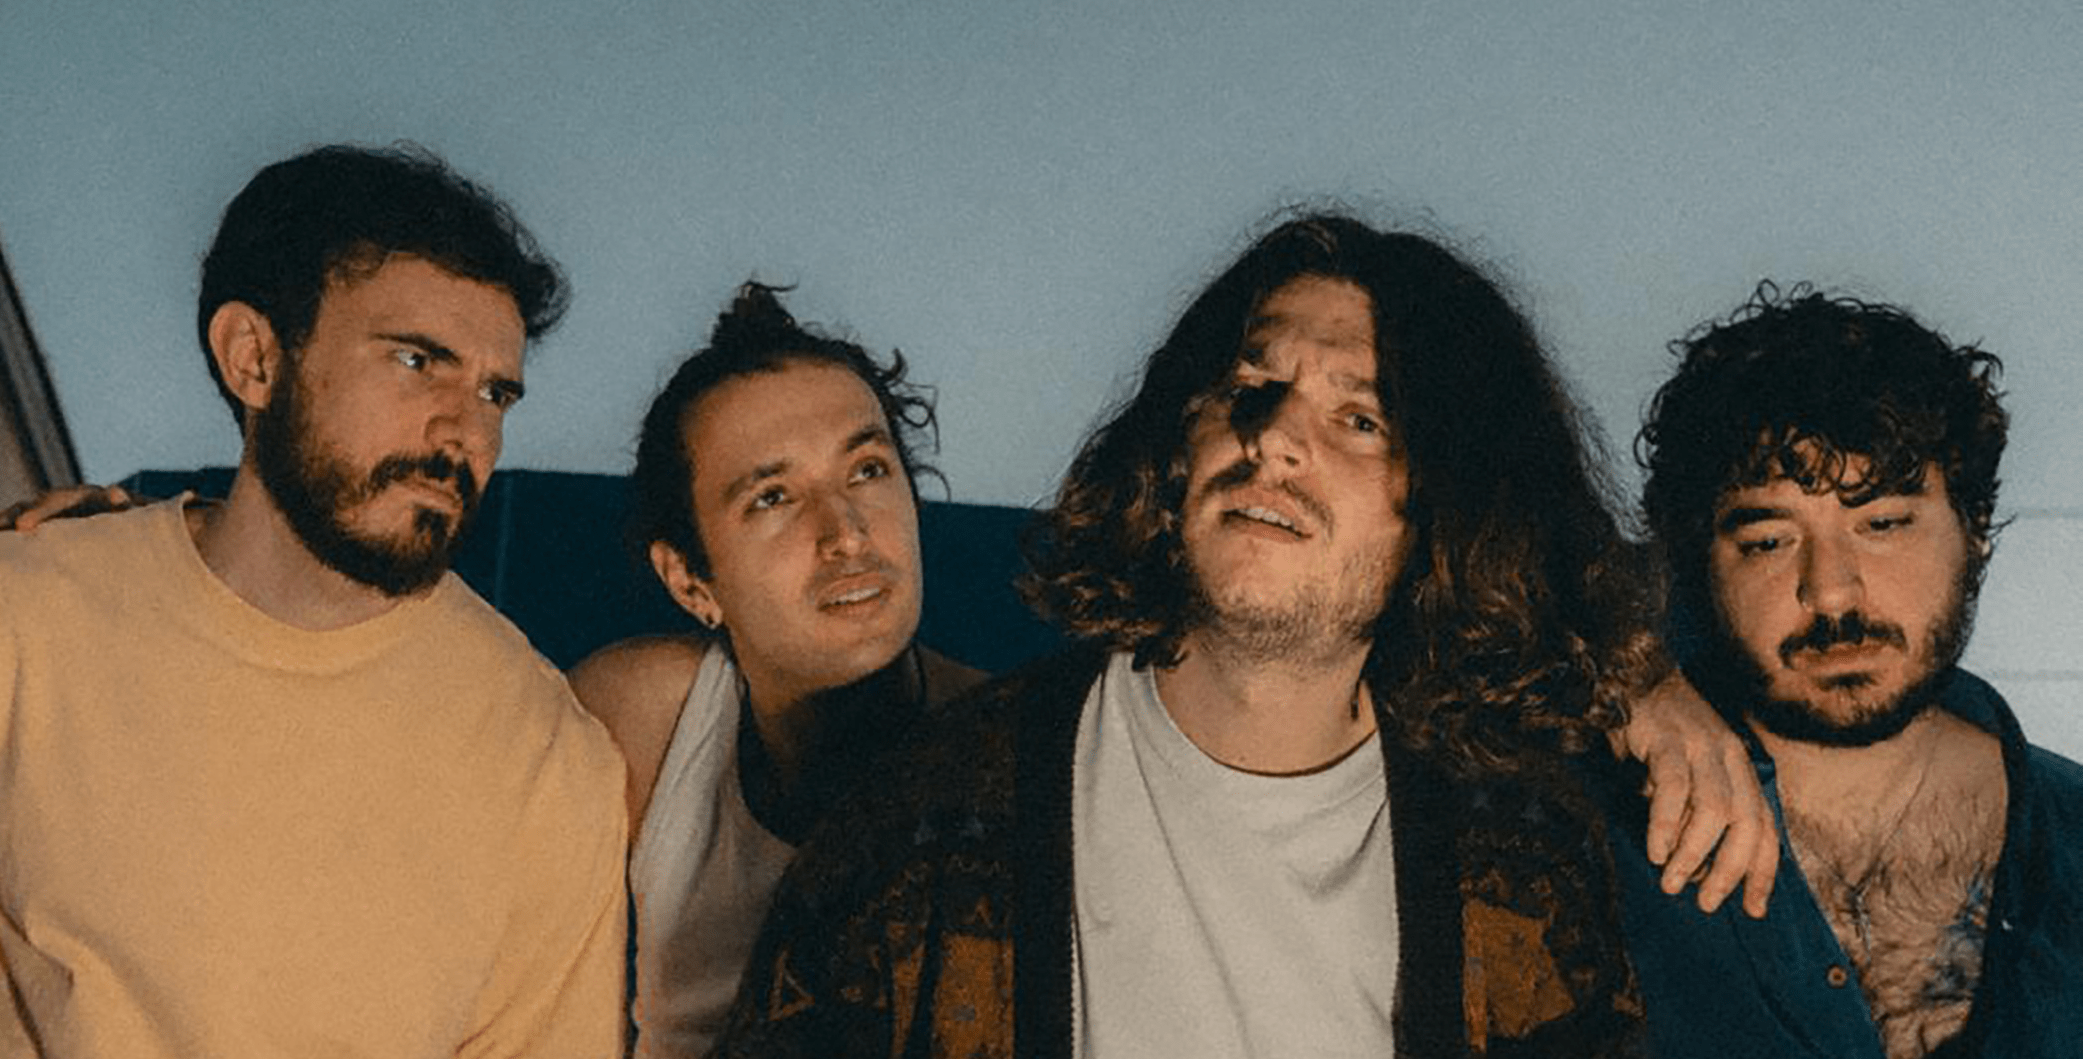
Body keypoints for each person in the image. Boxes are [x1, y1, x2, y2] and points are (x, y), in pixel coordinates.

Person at [711, 213, 1775, 1058]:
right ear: (1179, 435)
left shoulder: (1522, 847)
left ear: (1443, 505)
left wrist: (1647, 683)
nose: (1274, 441)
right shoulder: (923, 823)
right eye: (1250, 388)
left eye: (1359, 418)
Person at [0, 144, 627, 1057]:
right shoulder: (2, 617)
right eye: (417, 360)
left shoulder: (549, 757)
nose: (465, 430)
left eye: (494, 392)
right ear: (255, 359)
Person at [1612, 284, 2083, 1058]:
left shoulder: (2069, 836)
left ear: (1975, 530)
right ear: (1698, 562)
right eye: (1768, 540)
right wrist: (1624, 676)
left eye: (1883, 523)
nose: (1831, 591)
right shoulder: (1590, 837)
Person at [567, 282, 982, 1058]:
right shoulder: (644, 719)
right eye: (773, 496)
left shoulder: (1017, 746)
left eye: (867, 470)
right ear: (692, 581)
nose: (846, 533)